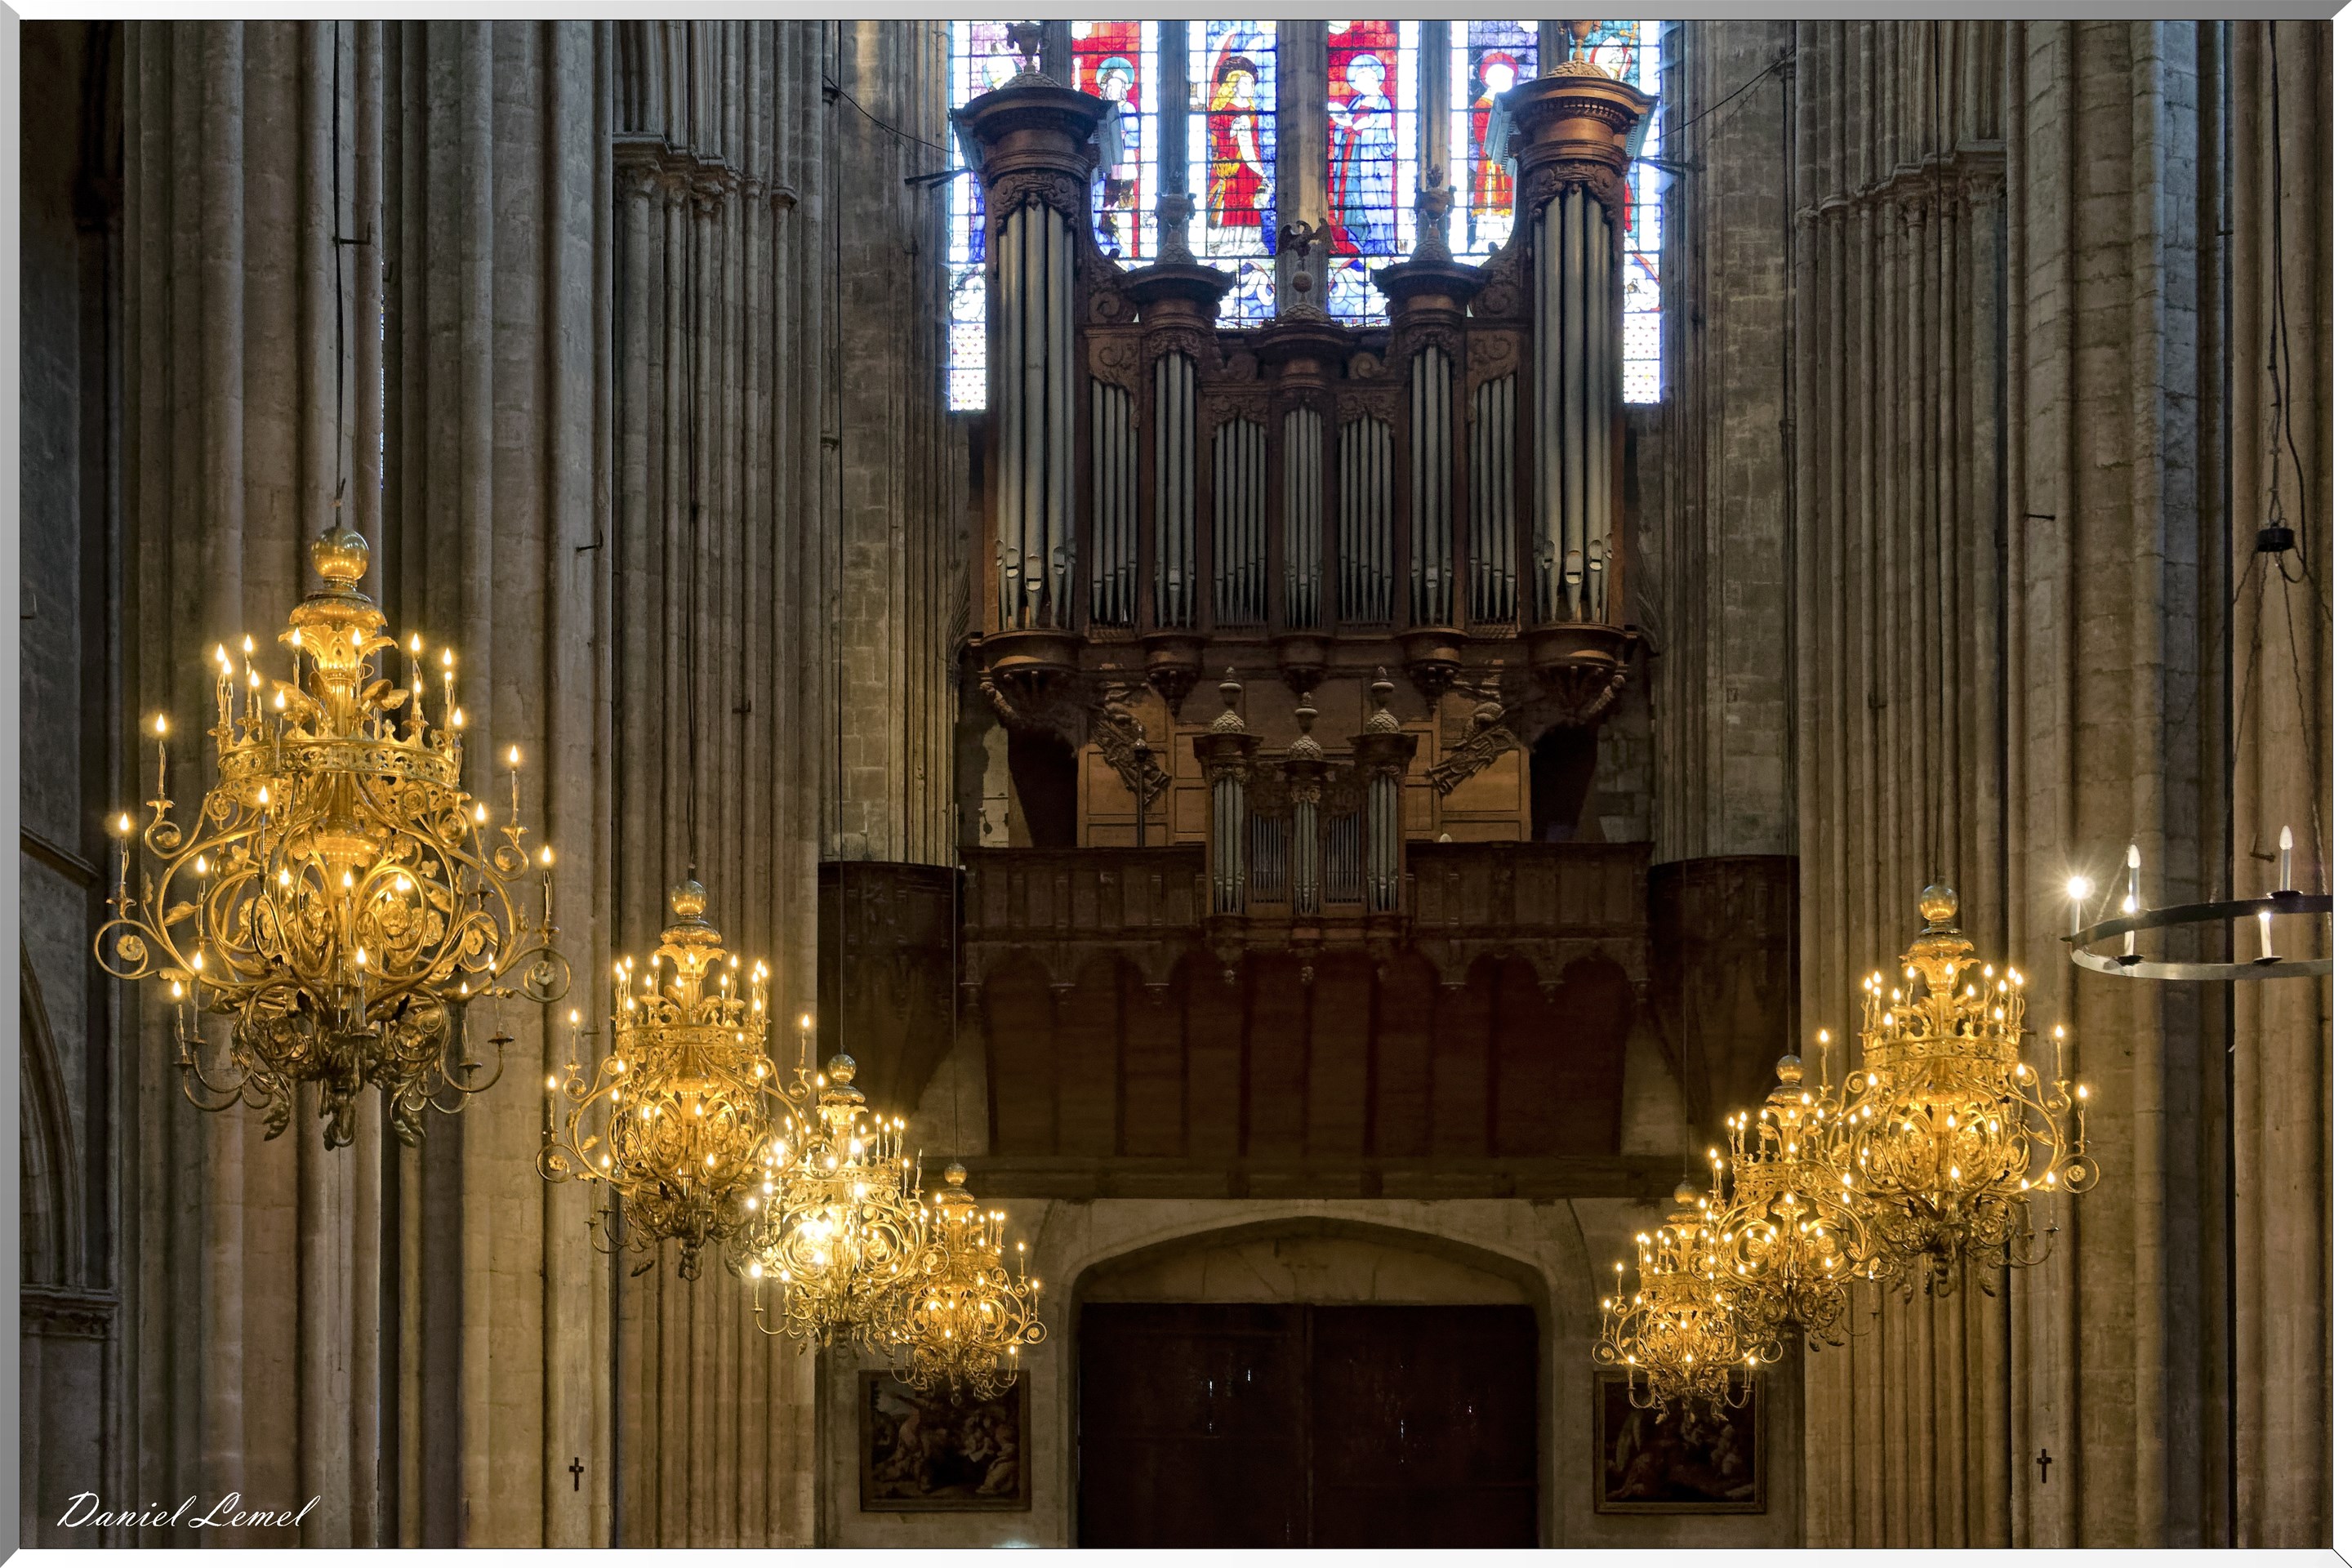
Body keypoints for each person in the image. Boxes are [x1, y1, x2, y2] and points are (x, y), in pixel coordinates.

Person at [1205, 52, 1272, 260]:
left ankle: (1249, 245)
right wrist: (1232, 131)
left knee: (1248, 204)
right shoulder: (1221, 110)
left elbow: (1254, 143)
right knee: (1231, 204)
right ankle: (1227, 245)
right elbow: (1217, 135)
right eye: (1246, 83)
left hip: (1248, 169)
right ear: (1234, 85)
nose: (1250, 87)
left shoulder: (1252, 111)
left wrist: (1260, 171)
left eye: (1252, 83)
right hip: (1228, 167)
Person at [1329, 51, 1396, 258]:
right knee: (1351, 200)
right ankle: (1353, 243)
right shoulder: (1356, 103)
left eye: (1365, 81)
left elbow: (1383, 134)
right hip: (1350, 160)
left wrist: (1361, 129)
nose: (1361, 86)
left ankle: (1375, 246)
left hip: (1370, 164)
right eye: (1358, 82)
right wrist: (1345, 125)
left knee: (1369, 202)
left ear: (1375, 80)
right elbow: (1345, 127)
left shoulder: (1383, 104)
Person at [1089, 54, 1141, 258]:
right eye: (1109, 86)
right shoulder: (1097, 109)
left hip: (1122, 165)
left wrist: (1122, 135)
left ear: (1123, 89)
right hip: (1101, 165)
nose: (1112, 90)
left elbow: (1134, 138)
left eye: (1117, 86)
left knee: (1119, 204)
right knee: (1099, 200)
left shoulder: (1128, 109)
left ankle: (1121, 242)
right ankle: (1097, 235)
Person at [1468, 51, 1521, 250]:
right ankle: (1487, 236)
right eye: (1503, 78)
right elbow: (1482, 135)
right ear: (1491, 79)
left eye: (1509, 78)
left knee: (1509, 196)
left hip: (1509, 159)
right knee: (1490, 199)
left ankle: (1509, 235)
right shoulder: (1483, 104)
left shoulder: (1513, 105)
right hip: (1491, 159)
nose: (1507, 82)